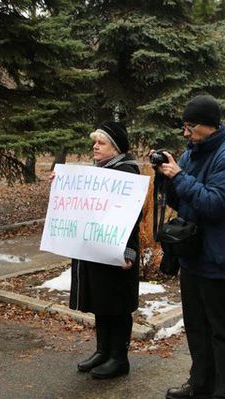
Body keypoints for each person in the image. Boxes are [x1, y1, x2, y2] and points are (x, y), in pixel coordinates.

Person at [156, 95, 225, 399]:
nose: (186, 133)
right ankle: (201, 384)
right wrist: (167, 179)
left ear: (209, 125)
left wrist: (181, 177)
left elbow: (215, 204)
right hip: (193, 254)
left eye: (190, 126)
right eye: (184, 126)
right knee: (196, 326)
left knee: (222, 330)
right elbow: (180, 201)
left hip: (219, 256)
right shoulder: (191, 153)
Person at [63, 121, 140, 379]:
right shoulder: (99, 171)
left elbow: (132, 217)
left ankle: (119, 358)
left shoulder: (126, 172)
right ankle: (103, 351)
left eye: (101, 142)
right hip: (96, 249)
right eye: (94, 142)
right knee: (101, 300)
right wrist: (62, 182)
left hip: (118, 250)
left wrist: (128, 251)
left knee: (117, 304)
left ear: (115, 147)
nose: (95, 147)